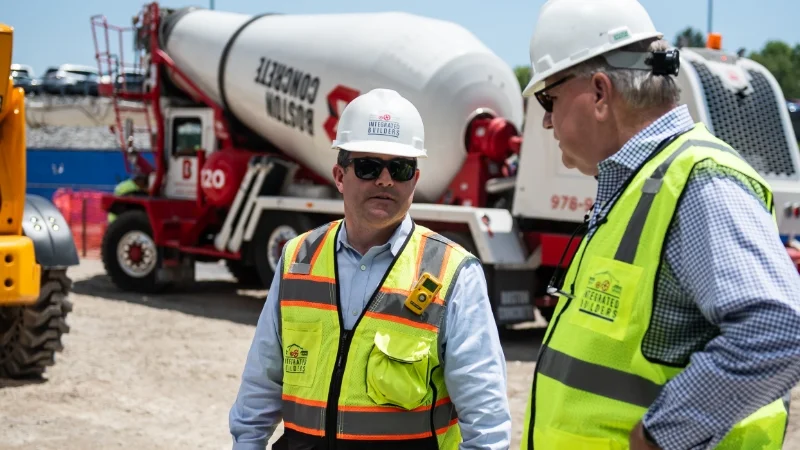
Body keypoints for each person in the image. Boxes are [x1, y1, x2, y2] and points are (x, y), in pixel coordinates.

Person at [518, 0, 800, 449]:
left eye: (548, 99)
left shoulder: (699, 182)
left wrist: (663, 434)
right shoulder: (641, 184)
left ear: (599, 92)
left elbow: (779, 329)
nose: (547, 119)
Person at [229, 88, 511, 450]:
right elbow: (261, 385)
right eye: (367, 166)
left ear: (415, 178)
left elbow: (486, 422)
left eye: (400, 167)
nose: (385, 179)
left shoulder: (453, 274)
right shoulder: (297, 258)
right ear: (339, 175)